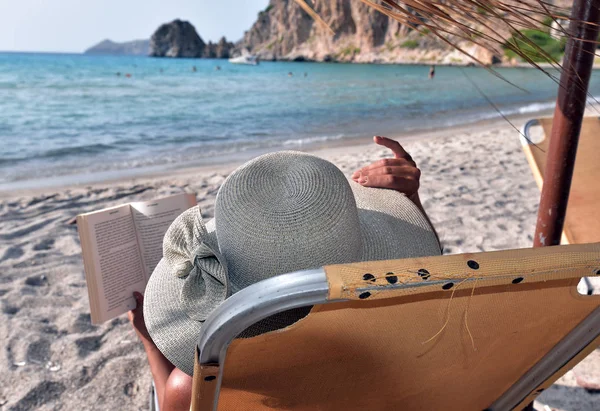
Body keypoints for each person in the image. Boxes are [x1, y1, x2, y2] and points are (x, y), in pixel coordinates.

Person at [129, 136, 440, 411]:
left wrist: (151, 344)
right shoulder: (407, 347)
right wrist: (410, 204)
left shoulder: (196, 389)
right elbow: (434, 276)